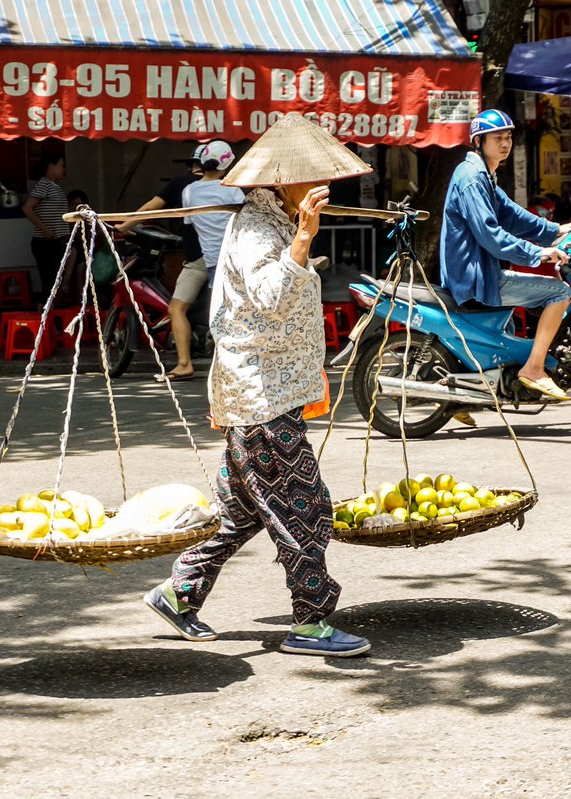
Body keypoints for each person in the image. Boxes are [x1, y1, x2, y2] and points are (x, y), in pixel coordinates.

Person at [142, 112, 372, 658]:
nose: (322, 187)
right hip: (260, 396)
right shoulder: (257, 229)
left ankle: (179, 593)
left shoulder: (277, 221)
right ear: (278, 179)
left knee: (242, 510)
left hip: (267, 391)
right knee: (305, 507)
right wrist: (304, 240)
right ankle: (311, 623)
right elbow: (270, 299)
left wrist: (301, 235)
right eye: (310, 177)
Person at [440, 108, 571, 403]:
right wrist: (539, 253)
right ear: (479, 141)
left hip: (479, 272)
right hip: (476, 277)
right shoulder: (473, 179)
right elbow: (491, 235)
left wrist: (554, 231)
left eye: (508, 138)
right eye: (497, 138)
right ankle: (535, 369)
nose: (505, 144)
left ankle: (484, 391)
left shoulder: (484, 175)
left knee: (508, 334)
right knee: (559, 293)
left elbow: (512, 216)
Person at [118, 147, 205, 377]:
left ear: (192, 164)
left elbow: (149, 208)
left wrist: (124, 225)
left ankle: (185, 364)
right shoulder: (228, 187)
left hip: (200, 258)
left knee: (176, 308)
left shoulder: (184, 185)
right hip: (229, 256)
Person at [162, 141, 246, 381]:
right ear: (228, 164)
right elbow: (246, 220)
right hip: (235, 259)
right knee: (234, 313)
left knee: (218, 314)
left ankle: (191, 364)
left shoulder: (189, 191)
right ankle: (232, 366)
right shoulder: (233, 189)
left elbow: (189, 224)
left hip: (210, 261)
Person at [22, 153, 70, 299]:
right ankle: (43, 311)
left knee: (55, 278)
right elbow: (27, 208)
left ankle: (50, 311)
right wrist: (45, 229)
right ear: (51, 166)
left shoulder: (55, 187)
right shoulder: (44, 184)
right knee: (49, 280)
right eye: (61, 165)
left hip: (57, 241)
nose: (63, 169)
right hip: (45, 242)